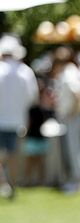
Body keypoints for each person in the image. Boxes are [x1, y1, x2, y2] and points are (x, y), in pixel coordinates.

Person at [0, 35, 38, 199]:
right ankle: (12, 185)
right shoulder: (25, 72)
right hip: (18, 121)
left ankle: (4, 185)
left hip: (1, 120)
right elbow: (32, 98)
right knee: (14, 156)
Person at [50, 46, 80, 193]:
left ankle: (78, 181)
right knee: (78, 147)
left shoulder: (68, 72)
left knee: (74, 148)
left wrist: (73, 111)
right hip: (74, 115)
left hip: (73, 116)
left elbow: (78, 92)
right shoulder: (71, 70)